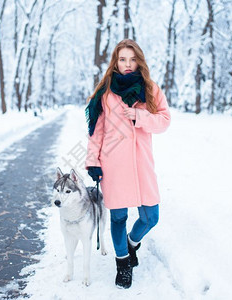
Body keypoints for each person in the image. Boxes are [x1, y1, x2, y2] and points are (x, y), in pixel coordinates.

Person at [85, 39, 171, 289]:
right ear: (115, 61)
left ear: (139, 61)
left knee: (151, 216)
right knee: (118, 218)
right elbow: (96, 132)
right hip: (114, 164)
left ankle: (132, 243)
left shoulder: (150, 89)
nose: (128, 64)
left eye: (132, 59)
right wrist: (93, 162)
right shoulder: (106, 92)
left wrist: (141, 116)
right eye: (122, 59)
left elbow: (164, 121)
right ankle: (122, 263)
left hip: (141, 163)